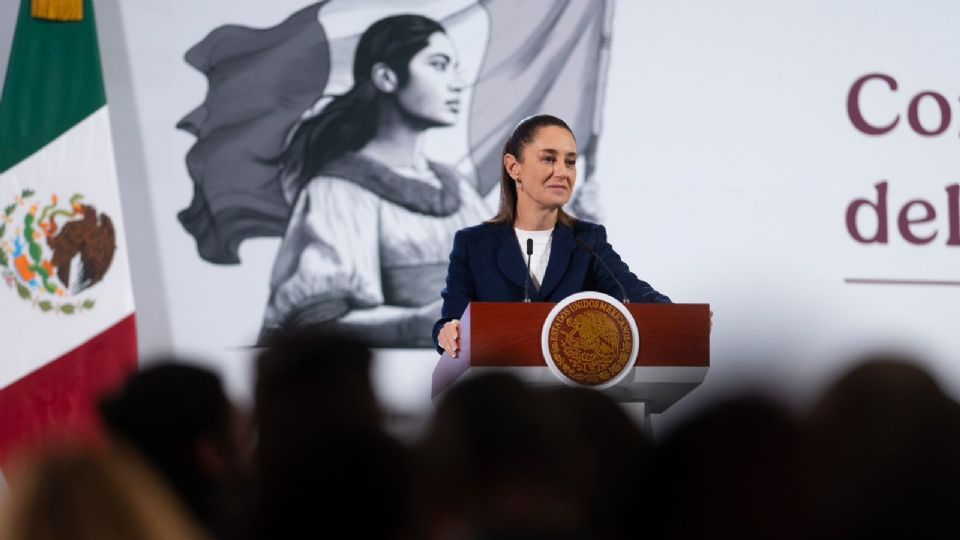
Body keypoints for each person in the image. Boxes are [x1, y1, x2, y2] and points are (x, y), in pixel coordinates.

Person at [260, 14, 490, 347]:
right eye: (439, 65)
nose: (456, 82)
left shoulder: (458, 189)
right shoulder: (339, 190)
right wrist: (416, 324)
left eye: (455, 67)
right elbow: (316, 321)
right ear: (386, 77)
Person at [433, 114, 669, 356]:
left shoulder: (588, 239)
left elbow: (633, 292)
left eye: (570, 162)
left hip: (573, 389)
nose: (562, 172)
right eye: (548, 159)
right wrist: (447, 331)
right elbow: (452, 319)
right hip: (500, 388)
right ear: (514, 167)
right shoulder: (474, 244)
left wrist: (674, 315)